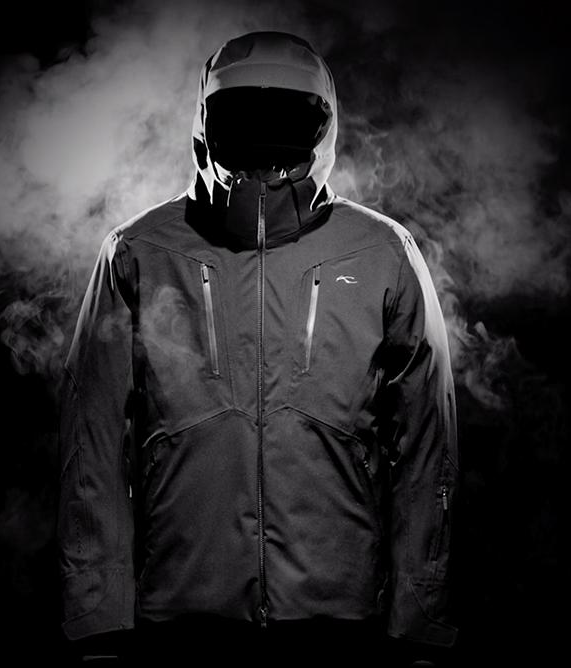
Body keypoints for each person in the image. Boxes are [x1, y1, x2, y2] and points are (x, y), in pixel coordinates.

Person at [57, 30, 460, 667]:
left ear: (322, 125)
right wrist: (98, 618)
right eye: (244, 115)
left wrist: (420, 619)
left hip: (339, 622)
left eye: (286, 116)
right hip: (181, 620)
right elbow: (93, 443)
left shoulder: (381, 252)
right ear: (207, 123)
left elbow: (426, 446)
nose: (264, 137)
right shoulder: (141, 251)